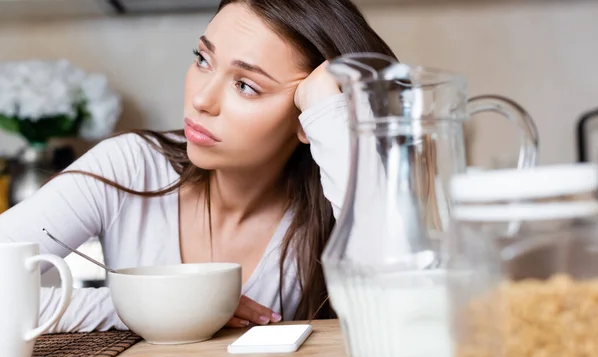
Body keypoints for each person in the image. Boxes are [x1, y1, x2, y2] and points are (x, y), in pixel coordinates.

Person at [0, 0, 396, 332]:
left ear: (305, 115)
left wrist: (331, 115)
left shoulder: (333, 199)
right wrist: (151, 307)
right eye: (203, 59)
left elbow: (398, 310)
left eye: (246, 85)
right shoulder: (129, 165)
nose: (202, 99)